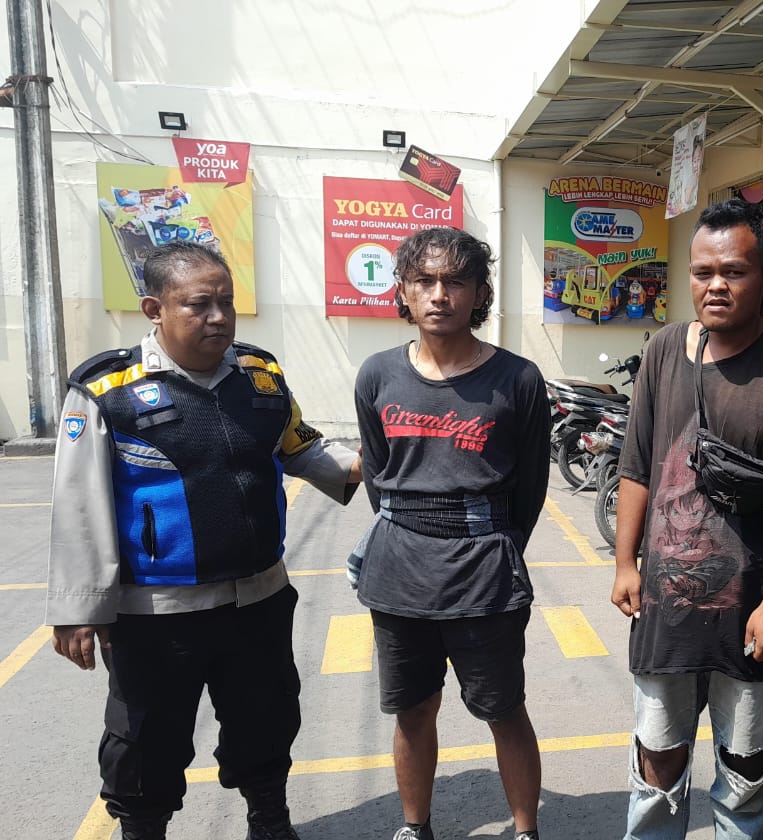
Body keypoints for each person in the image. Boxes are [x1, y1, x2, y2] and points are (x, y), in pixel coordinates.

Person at [47, 242, 362, 840]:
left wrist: (375, 463)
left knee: (266, 722)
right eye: (199, 305)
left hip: (258, 600)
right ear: (155, 309)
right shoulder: (106, 388)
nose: (219, 317)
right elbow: (78, 501)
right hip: (155, 615)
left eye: (227, 302)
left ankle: (270, 823)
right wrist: (76, 610)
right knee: (146, 740)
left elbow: (300, 448)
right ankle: (143, 831)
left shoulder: (261, 375)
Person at [610, 198, 763, 839]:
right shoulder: (663, 349)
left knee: (746, 778)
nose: (715, 285)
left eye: (734, 271)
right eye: (702, 271)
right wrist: (625, 563)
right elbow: (637, 467)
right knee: (656, 769)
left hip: (751, 614)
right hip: (664, 611)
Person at [350, 227, 550, 840]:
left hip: (485, 573)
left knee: (503, 710)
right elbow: (378, 476)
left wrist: (492, 543)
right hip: (399, 571)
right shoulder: (377, 375)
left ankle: (525, 830)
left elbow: (531, 488)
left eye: (456, 281)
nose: (440, 295)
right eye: (425, 281)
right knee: (412, 710)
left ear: (480, 293)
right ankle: (416, 827)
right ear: (403, 291)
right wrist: (409, 530)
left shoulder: (518, 379)